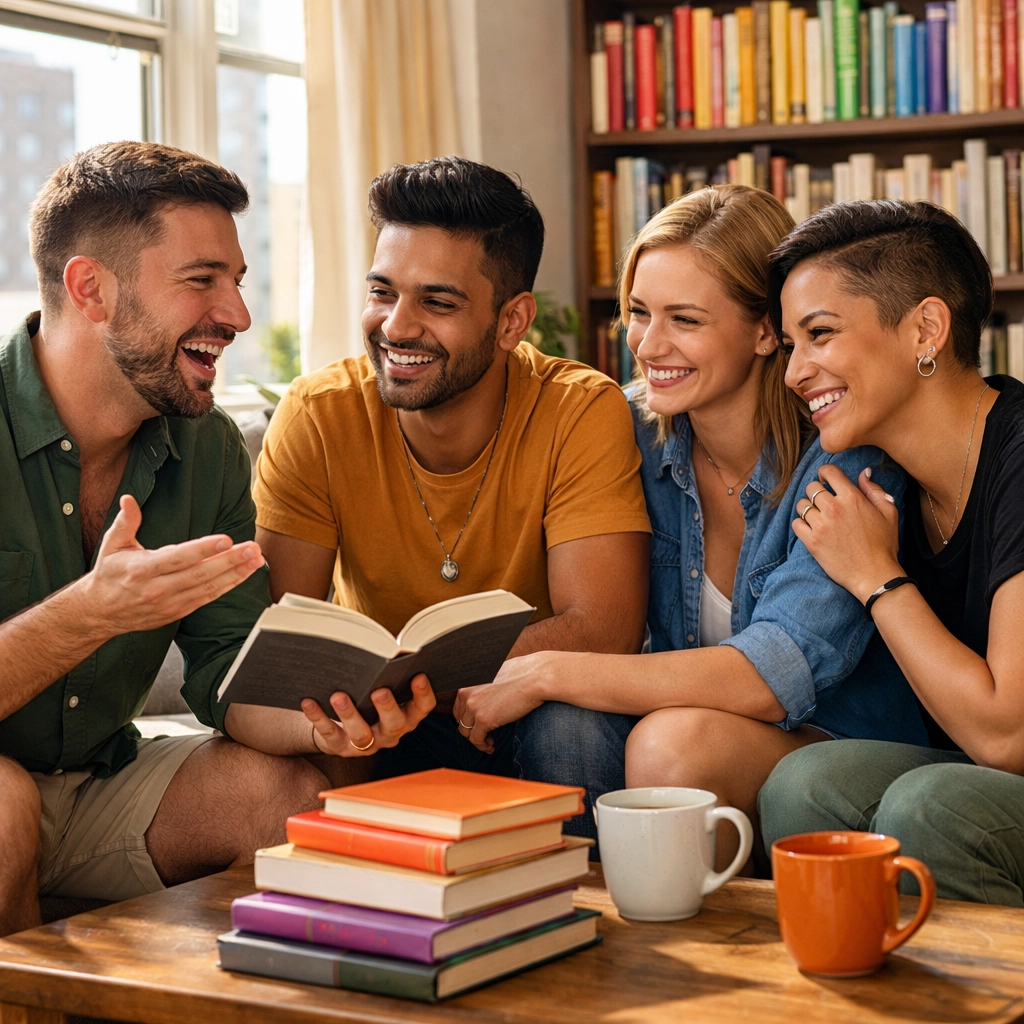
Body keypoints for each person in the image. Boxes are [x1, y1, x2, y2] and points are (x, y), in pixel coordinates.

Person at [456, 184, 913, 864]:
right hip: (686, 724)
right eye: (639, 312)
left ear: (767, 329)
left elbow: (773, 674)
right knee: (567, 723)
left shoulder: (846, 453)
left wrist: (550, 668)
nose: (649, 343)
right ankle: (573, 930)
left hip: (831, 735)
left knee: (667, 744)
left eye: (686, 320)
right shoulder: (628, 433)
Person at [0, 142, 342, 938]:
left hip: (99, 780)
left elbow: (228, 666)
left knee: (288, 797)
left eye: (238, 282)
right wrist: (87, 612)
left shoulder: (208, 446)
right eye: (202, 281)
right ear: (91, 288)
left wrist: (321, 721)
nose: (237, 315)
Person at [252, 156, 651, 779]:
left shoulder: (578, 407)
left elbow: (603, 633)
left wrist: (410, 679)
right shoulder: (318, 414)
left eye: (437, 302)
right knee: (292, 759)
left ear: (511, 321)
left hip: (522, 710)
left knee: (575, 726)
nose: (396, 326)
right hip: (371, 724)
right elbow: (277, 642)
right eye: (382, 292)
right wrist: (374, 706)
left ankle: (577, 884)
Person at [758, 199, 1024, 906]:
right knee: (805, 786)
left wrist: (875, 574)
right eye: (790, 344)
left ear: (926, 330)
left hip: (997, 763)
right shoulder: (880, 474)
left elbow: (1006, 736)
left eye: (819, 334)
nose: (794, 373)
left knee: (931, 805)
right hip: (973, 768)